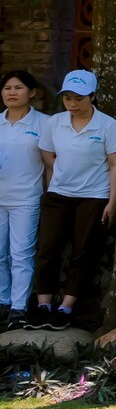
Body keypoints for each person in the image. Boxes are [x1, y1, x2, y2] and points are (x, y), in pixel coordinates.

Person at [30, 70, 116, 330]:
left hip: (94, 197)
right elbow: (47, 155)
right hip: (58, 195)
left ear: (92, 96)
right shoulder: (55, 122)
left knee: (83, 252)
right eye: (67, 98)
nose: (72, 103)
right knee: (47, 249)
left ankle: (66, 308)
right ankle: (43, 305)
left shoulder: (108, 125)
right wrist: (56, 180)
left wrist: (112, 201)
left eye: (79, 98)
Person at [0, 71, 48, 328]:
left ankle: (18, 307)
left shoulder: (44, 124)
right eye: (7, 88)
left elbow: (51, 162)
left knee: (20, 253)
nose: (12, 92)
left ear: (31, 93)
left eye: (18, 88)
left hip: (26, 198)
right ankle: (3, 302)